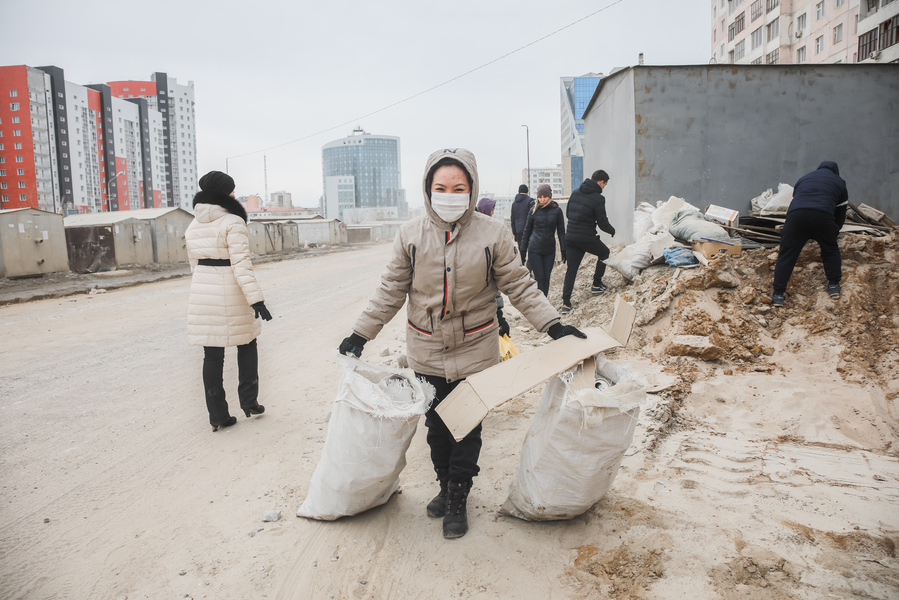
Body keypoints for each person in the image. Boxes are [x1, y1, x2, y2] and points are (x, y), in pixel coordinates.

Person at [338, 149, 585, 540]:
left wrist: (553, 325)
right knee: (436, 427)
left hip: (476, 349)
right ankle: (442, 482)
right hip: (426, 349)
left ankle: (458, 495)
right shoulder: (411, 235)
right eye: (441, 187)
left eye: (458, 187)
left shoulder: (493, 233)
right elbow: (390, 290)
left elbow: (520, 285)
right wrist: (360, 333)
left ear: (471, 190)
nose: (449, 194)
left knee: (466, 428)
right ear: (428, 189)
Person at [185, 171, 272, 431]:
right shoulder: (233, 222)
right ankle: (249, 401)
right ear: (223, 193)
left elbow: (193, 264)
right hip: (231, 290)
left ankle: (218, 416)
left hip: (202, 290)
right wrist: (256, 300)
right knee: (247, 342)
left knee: (212, 355)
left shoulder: (193, 224)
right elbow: (241, 265)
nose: (234, 194)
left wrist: (204, 284)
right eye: (232, 190)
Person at [771, 161, 848, 307]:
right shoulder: (839, 182)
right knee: (830, 249)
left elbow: (797, 200)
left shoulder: (804, 178)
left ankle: (778, 294)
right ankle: (833, 286)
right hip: (823, 215)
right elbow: (841, 212)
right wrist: (834, 231)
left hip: (796, 216)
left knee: (787, 254)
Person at [560, 169, 615, 314]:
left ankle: (566, 303)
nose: (604, 188)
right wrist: (612, 230)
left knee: (571, 269)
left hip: (571, 237)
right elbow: (602, 222)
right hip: (586, 238)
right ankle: (596, 283)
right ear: (601, 182)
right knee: (605, 252)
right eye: (605, 185)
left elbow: (568, 213)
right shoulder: (598, 198)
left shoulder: (576, 192)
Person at [519, 184, 566, 297]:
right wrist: (522, 252)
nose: (542, 199)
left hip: (549, 250)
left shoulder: (557, 211)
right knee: (539, 277)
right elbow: (527, 232)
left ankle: (544, 301)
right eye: (540, 197)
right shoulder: (533, 211)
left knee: (546, 277)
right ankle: (541, 305)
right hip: (535, 249)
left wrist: (564, 249)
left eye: (545, 196)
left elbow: (561, 231)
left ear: (549, 196)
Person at [476, 197, 511, 338]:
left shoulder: (492, 232)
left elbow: (492, 279)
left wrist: (499, 316)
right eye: (491, 210)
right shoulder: (479, 234)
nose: (492, 213)